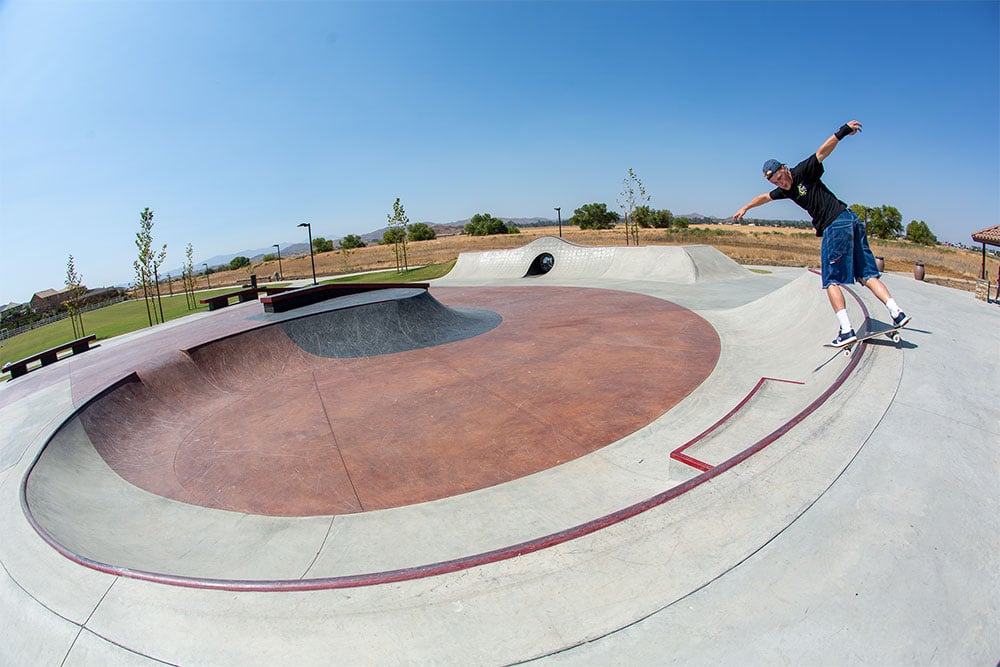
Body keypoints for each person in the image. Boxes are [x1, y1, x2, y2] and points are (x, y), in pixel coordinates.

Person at [733, 119, 910, 346]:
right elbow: (765, 197)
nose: (783, 183)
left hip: (836, 225)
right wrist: (746, 207)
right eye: (778, 182)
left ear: (785, 168)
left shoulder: (802, 171)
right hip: (851, 220)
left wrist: (844, 131)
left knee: (830, 280)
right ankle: (897, 312)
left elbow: (822, 152)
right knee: (867, 274)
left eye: (783, 177)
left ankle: (846, 330)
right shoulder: (783, 191)